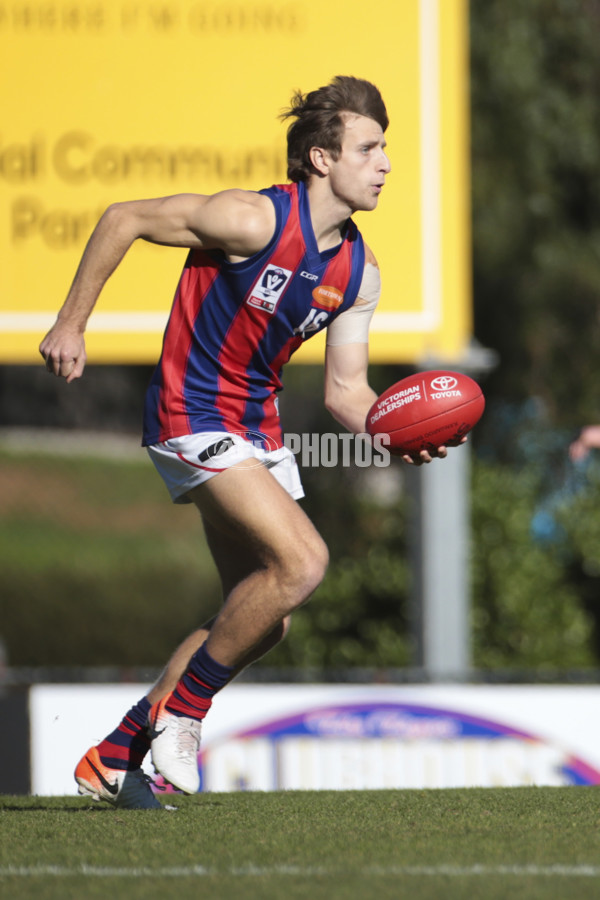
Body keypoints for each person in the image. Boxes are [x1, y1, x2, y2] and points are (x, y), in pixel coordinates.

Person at [39, 75, 453, 809]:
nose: (386, 162)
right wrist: (73, 322)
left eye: (386, 147)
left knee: (266, 615)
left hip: (255, 429)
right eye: (369, 147)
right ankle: (185, 715)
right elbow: (123, 216)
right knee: (304, 561)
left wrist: (392, 432)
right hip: (190, 411)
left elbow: (346, 394)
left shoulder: (359, 272)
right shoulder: (252, 219)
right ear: (322, 159)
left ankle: (116, 752)